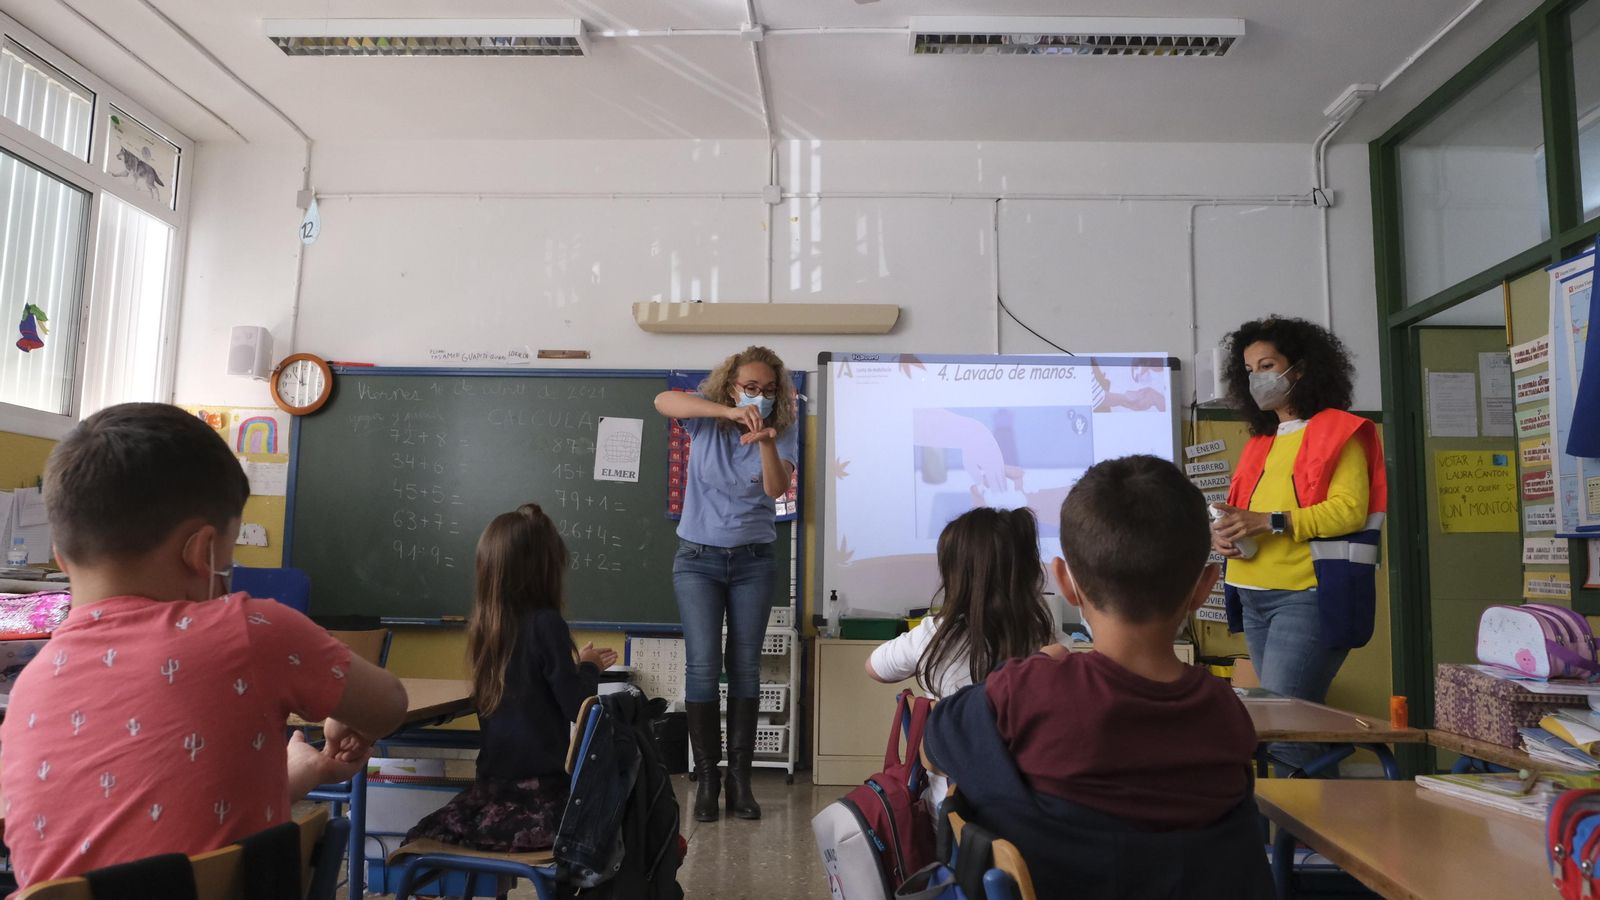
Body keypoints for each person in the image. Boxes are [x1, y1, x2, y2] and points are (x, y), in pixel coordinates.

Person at [0, 403, 409, 889]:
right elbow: (388, 705)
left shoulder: (29, 688)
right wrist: (346, 714)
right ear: (203, 551)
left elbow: (148, 826)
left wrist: (293, 776)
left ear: (59, 557)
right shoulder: (250, 630)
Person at [923, 456, 1270, 899]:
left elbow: (934, 748)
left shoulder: (1026, 692)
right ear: (1204, 588)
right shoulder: (1226, 716)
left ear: (1065, 582)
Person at [1209, 316, 1386, 773]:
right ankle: (1303, 839)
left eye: (1267, 365)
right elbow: (1241, 515)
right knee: (1280, 728)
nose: (1257, 380)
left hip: (1305, 595)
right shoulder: (1259, 442)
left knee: (1287, 734)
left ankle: (1305, 837)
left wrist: (1268, 522)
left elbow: (1348, 510)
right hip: (1252, 594)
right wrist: (1224, 536)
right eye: (1249, 370)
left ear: (1300, 369)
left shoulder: (1340, 431)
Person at [405, 503, 617, 852]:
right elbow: (577, 707)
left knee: (423, 837)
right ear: (544, 570)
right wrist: (589, 667)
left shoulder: (488, 629)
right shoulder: (546, 624)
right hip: (540, 800)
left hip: (488, 794)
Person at [653, 346, 799, 822]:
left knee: (745, 666)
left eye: (769, 390)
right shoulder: (706, 419)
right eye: (750, 388)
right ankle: (708, 779)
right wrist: (729, 410)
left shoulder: (785, 431)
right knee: (702, 666)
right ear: (732, 385)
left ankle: (740, 781)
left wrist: (765, 440)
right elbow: (663, 401)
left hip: (754, 560)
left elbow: (777, 490)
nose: (759, 397)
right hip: (697, 558)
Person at [864, 506, 1055, 811]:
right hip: (1024, 816)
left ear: (955, 575)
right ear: (1024, 572)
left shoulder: (934, 634)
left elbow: (874, 667)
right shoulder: (1044, 638)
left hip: (949, 815)